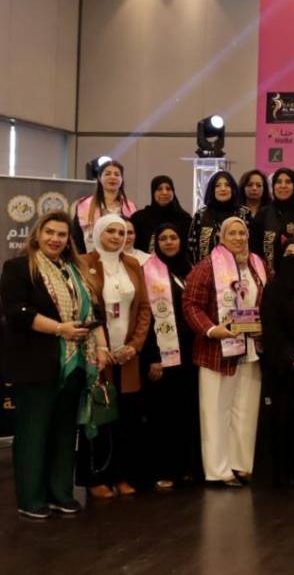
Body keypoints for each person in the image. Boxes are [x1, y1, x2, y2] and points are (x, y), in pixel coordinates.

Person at [2, 211, 105, 518]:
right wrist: (60, 329)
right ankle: (31, 499)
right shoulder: (18, 267)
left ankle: (61, 493)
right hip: (36, 365)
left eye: (62, 234)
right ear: (37, 234)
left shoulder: (76, 270)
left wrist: (100, 347)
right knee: (33, 434)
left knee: (64, 433)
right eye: (50, 232)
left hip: (74, 365)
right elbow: (16, 312)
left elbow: (94, 312)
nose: (55, 239)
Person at [182, 216, 265, 486]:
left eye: (243, 233)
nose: (239, 238)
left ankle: (241, 464)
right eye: (233, 233)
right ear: (222, 237)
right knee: (216, 411)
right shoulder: (207, 266)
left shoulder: (257, 264)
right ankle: (218, 470)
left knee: (245, 410)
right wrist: (211, 329)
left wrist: (264, 327)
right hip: (217, 350)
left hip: (251, 348)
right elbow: (191, 304)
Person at [77, 214, 151, 499]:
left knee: (127, 418)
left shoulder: (132, 264)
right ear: (98, 233)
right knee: (98, 418)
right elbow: (84, 308)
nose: (117, 237)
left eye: (121, 232)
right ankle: (96, 477)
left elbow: (144, 308)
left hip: (127, 356)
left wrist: (135, 345)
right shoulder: (84, 263)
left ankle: (122, 475)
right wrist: (101, 347)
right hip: (98, 354)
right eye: (111, 231)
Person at [140, 223, 200, 490]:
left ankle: (187, 468)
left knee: (188, 411)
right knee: (164, 414)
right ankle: (164, 468)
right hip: (163, 352)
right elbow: (145, 317)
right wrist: (154, 356)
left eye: (173, 237)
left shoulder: (191, 269)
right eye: (162, 238)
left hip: (191, 352)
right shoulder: (148, 272)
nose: (168, 242)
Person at [258, 239, 294, 487]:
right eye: (289, 252)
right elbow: (272, 328)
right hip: (284, 366)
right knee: (285, 417)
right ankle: (286, 471)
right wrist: (292, 357)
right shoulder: (273, 288)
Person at [71, 160, 136, 253]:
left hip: (123, 256)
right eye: (107, 174)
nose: (112, 177)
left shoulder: (130, 206)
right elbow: (77, 237)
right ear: (99, 178)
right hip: (91, 256)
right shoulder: (85, 204)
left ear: (122, 179)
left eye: (117, 174)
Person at [188, 171, 252, 264]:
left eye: (227, 185)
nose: (223, 189)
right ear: (212, 190)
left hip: (239, 268)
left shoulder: (244, 213)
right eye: (217, 186)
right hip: (207, 269)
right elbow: (192, 247)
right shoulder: (201, 214)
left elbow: (252, 244)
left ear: (233, 189)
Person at [252, 168, 294, 278]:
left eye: (288, 182)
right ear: (273, 186)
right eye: (278, 182)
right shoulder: (263, 213)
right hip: (268, 277)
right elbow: (255, 249)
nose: (283, 186)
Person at [131, 176, 192, 255]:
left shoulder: (184, 218)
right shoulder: (139, 218)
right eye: (159, 189)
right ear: (153, 192)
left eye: (168, 189)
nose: (164, 192)